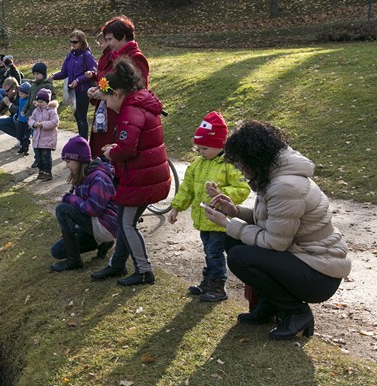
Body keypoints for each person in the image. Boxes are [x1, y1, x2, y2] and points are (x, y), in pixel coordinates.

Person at [204, 121, 350, 340]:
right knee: (232, 242)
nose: (240, 168)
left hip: (320, 273)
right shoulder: (274, 175)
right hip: (303, 259)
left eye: (240, 162)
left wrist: (227, 224)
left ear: (253, 156)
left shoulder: (285, 186)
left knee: (239, 255)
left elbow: (275, 242)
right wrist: (234, 211)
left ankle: (297, 312)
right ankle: (270, 305)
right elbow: (274, 223)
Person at [90, 58, 170, 286]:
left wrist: (109, 153)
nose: (106, 104)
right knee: (123, 218)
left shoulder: (130, 112)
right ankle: (117, 265)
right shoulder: (139, 105)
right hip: (141, 174)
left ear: (116, 94)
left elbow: (127, 149)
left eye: (105, 99)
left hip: (141, 178)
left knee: (127, 224)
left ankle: (144, 271)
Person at [169, 112, 251, 302]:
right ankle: (208, 280)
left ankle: (217, 285)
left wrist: (221, 192)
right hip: (202, 219)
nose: (200, 152)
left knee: (215, 253)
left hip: (219, 221)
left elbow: (242, 189)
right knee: (208, 251)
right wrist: (176, 207)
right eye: (198, 148)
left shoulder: (229, 166)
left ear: (220, 144)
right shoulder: (197, 164)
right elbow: (186, 188)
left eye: (204, 148)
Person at [50, 136, 117, 272]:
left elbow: (93, 209)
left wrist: (70, 198)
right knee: (57, 251)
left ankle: (74, 261)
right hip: (96, 223)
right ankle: (103, 244)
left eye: (69, 161)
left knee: (63, 209)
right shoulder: (83, 175)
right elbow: (81, 209)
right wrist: (71, 227)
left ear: (80, 159)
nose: (67, 165)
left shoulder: (99, 177)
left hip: (107, 225)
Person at [87, 16, 150, 159]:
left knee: (116, 158)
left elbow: (139, 92)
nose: (108, 44)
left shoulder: (135, 58)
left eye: (110, 39)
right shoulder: (113, 56)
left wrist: (105, 94)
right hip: (107, 115)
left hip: (122, 117)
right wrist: (98, 91)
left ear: (121, 37)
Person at [51, 30, 97, 140]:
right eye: (70, 42)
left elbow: (94, 72)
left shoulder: (87, 55)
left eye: (75, 42)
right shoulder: (70, 56)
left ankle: (84, 142)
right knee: (77, 116)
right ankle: (81, 139)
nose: (72, 44)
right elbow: (64, 72)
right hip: (72, 91)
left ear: (82, 42)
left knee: (82, 117)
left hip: (83, 90)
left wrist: (79, 80)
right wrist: (53, 76)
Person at [21, 62, 55, 168]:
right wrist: (24, 109)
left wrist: (44, 104)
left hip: (44, 117)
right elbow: (29, 100)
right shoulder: (33, 85)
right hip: (33, 116)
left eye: (38, 74)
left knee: (43, 140)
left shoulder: (47, 85)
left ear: (43, 74)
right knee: (34, 138)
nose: (36, 76)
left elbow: (52, 99)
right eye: (34, 74)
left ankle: (45, 160)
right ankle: (37, 159)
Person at [28, 88, 59, 181]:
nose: (40, 103)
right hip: (37, 138)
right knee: (38, 157)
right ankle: (41, 171)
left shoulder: (51, 111)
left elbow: (54, 122)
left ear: (47, 102)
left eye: (42, 102)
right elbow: (31, 119)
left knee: (46, 157)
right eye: (38, 101)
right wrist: (33, 124)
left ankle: (47, 172)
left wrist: (42, 124)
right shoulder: (36, 111)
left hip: (47, 139)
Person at [16, 81, 32, 155]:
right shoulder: (20, 99)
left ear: (27, 94)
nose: (20, 95)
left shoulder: (29, 101)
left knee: (26, 135)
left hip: (26, 121)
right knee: (20, 134)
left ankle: (26, 148)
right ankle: (21, 147)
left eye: (22, 94)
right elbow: (19, 108)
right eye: (19, 93)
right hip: (20, 120)